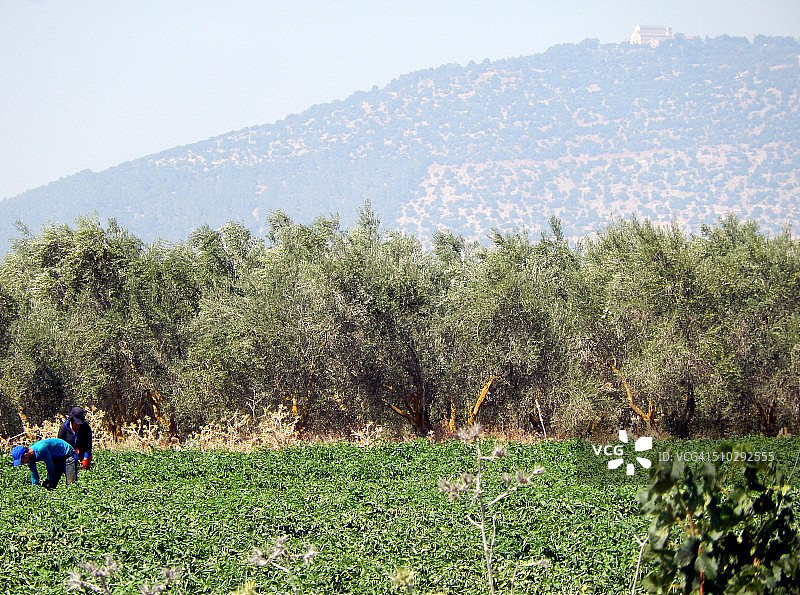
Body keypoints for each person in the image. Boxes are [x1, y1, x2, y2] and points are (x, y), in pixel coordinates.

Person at [11, 438, 78, 489]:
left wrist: (49, 479)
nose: (22, 463)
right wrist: (35, 489)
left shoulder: (41, 449)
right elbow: (34, 473)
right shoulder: (30, 458)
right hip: (57, 458)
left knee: (71, 486)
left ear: (25, 455)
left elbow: (50, 467)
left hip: (68, 455)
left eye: (22, 461)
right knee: (49, 487)